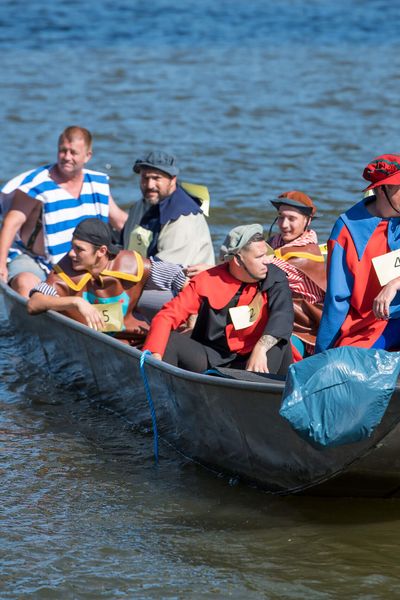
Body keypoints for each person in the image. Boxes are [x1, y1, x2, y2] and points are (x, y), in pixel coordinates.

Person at [142, 224, 294, 375]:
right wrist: (155, 355)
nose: (267, 260)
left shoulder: (276, 276)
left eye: (266, 253)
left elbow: (283, 315)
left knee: (280, 340)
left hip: (258, 355)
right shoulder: (207, 280)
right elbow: (167, 315)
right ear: (238, 261)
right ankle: (165, 393)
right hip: (213, 355)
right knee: (169, 341)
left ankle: (267, 391)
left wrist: (261, 348)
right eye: (259, 257)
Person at [0, 126, 128, 297]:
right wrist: (1, 264)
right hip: (37, 260)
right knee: (24, 284)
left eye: (73, 152)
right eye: (62, 151)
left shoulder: (97, 183)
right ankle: (30, 320)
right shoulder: (37, 184)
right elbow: (11, 223)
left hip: (80, 261)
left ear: (87, 156)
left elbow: (119, 221)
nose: (67, 157)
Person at [27, 218, 187, 345]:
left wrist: (190, 319)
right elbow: (34, 303)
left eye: (79, 249)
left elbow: (180, 278)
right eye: (72, 247)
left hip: (136, 341)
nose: (70, 254)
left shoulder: (132, 264)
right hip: (93, 345)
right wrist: (76, 302)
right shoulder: (65, 270)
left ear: (102, 251)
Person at [316, 154, 400, 352]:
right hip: (369, 325)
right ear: (381, 189)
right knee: (337, 364)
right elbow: (337, 300)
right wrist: (322, 352)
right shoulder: (347, 230)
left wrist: (394, 284)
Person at [122, 150, 215, 266]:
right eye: (145, 178)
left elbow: (167, 270)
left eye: (156, 178)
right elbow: (125, 247)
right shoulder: (139, 206)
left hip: (184, 281)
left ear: (173, 180)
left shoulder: (183, 214)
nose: (150, 185)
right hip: (141, 274)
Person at [268, 191, 326, 357]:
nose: (284, 224)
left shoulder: (308, 254)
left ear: (307, 221)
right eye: (280, 217)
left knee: (282, 351)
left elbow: (265, 269)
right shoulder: (274, 242)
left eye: (292, 219)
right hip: (276, 317)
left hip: (301, 328)